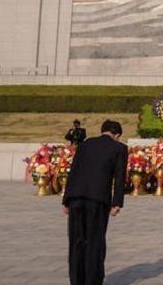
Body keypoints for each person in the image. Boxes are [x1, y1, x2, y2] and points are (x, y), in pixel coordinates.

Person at [61, 119, 127, 285]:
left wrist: (66, 200)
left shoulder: (85, 145)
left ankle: (77, 280)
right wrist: (117, 202)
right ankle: (93, 280)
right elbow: (120, 177)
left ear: (102, 130)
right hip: (97, 200)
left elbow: (73, 171)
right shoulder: (119, 148)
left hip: (75, 198)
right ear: (117, 135)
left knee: (76, 242)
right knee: (95, 241)